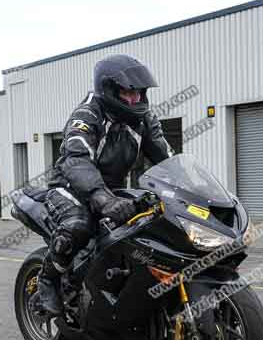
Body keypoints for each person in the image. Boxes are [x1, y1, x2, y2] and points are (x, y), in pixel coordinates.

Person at [32, 54, 174, 317]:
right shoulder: (87, 114)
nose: (135, 100)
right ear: (108, 89)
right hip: (70, 187)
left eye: (139, 93)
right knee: (78, 225)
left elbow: (166, 157)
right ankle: (48, 279)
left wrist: (190, 189)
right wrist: (102, 198)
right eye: (127, 93)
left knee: (150, 224)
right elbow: (77, 160)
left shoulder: (143, 119)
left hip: (112, 189)